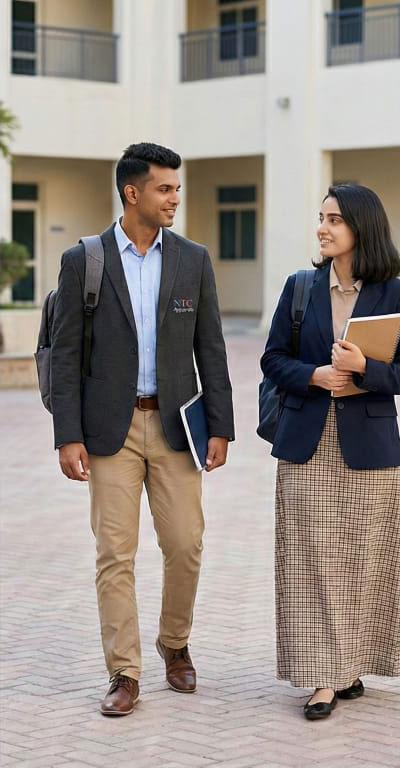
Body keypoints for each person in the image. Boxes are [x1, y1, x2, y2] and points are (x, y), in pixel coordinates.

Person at [51, 142, 234, 716]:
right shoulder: (85, 261)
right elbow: (65, 354)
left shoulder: (192, 259)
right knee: (115, 552)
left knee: (185, 543)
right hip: (111, 429)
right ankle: (124, 672)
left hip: (177, 424)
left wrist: (220, 426)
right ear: (133, 193)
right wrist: (68, 434)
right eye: (164, 188)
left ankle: (174, 643)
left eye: (177, 188)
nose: (175, 198)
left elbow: (211, 347)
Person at [260, 184, 400, 721]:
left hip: (369, 448)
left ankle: (351, 666)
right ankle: (324, 676)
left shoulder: (396, 294)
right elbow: (272, 359)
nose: (322, 228)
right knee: (309, 559)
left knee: (362, 558)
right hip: (306, 441)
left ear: (361, 227)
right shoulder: (300, 288)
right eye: (321, 217)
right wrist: (315, 375)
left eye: (334, 220)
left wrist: (363, 369)